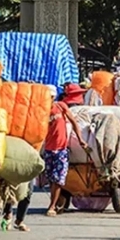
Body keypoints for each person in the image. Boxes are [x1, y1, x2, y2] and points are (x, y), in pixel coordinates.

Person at [43, 83, 84, 217]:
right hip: (48, 149)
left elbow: (74, 122)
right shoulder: (41, 111)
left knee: (59, 179)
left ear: (53, 97)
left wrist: (81, 139)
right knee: (51, 178)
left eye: (49, 97)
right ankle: (54, 202)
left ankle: (52, 206)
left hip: (61, 149)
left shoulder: (61, 106)